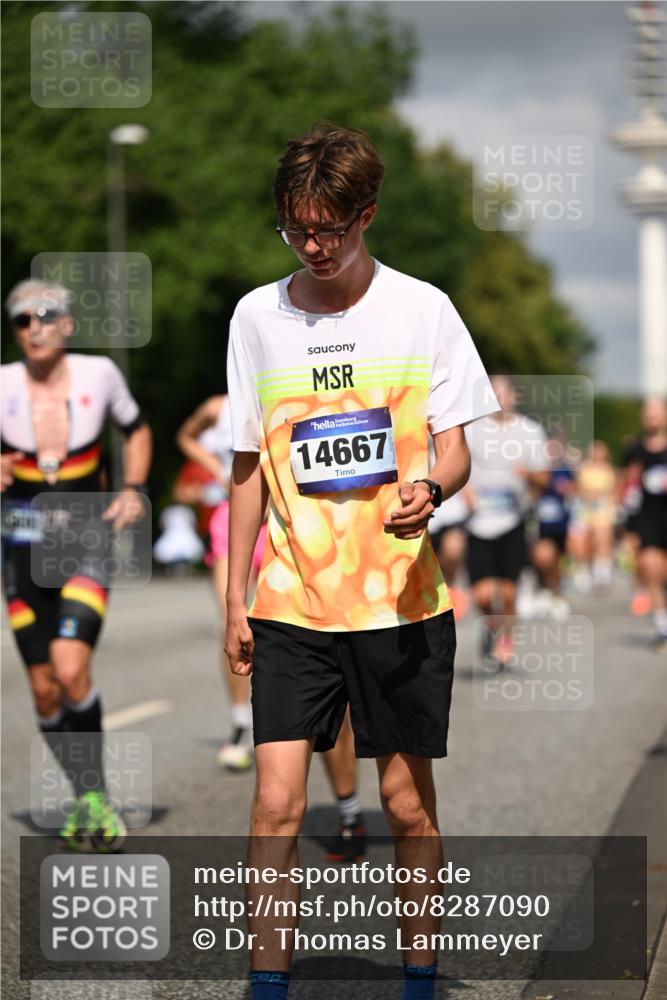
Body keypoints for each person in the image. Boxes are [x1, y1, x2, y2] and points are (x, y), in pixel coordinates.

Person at [223, 121, 499, 1000]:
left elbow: (453, 449)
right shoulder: (255, 318)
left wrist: (432, 488)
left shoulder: (423, 309)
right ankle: (268, 987)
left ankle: (418, 980)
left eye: (329, 229)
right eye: (296, 228)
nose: (313, 245)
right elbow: (244, 468)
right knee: (274, 804)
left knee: (407, 806)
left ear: (365, 215)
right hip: (290, 600)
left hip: (400, 603)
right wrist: (233, 599)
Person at [1, 279, 152, 849]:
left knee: (69, 669)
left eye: (45, 315)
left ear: (66, 323)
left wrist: (135, 487)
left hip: (85, 545)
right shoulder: (3, 386)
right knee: (43, 691)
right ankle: (89, 793)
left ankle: (94, 798)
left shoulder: (99, 375)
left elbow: (136, 430)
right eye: (21, 319)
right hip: (21, 553)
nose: (34, 326)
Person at [177, 394, 266, 770]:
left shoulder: (282, 383)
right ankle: (240, 723)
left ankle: (282, 718)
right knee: (232, 622)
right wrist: (212, 464)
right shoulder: (216, 406)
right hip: (231, 521)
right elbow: (185, 436)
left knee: (279, 623)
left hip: (279, 517)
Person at [463, 374, 550, 666]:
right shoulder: (472, 431)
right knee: (483, 593)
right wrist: (465, 492)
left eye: (505, 393)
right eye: (493, 393)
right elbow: (455, 464)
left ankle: (506, 642)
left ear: (515, 397)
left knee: (510, 591)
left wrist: (530, 476)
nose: (499, 399)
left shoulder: (530, 431)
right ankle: (492, 624)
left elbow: (544, 477)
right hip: (478, 520)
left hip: (513, 519)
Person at [619, 399, 667, 650]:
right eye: (648, 412)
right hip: (647, 519)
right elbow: (627, 488)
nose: (652, 417)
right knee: (651, 567)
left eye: (657, 412)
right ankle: (662, 627)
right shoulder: (634, 451)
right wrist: (628, 527)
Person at [567, 440, 618, 594]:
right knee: (579, 540)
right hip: (584, 511)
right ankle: (582, 569)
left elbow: (614, 491)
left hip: (603, 511)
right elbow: (577, 489)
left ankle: (602, 570)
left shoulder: (609, 470)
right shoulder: (583, 469)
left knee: (602, 536)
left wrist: (600, 495)